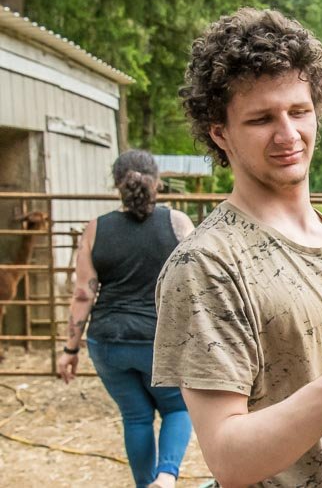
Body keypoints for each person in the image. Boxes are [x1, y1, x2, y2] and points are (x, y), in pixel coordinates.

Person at [151, 8, 322, 487]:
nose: (288, 135)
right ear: (220, 133)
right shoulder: (207, 264)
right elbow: (228, 458)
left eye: (299, 111)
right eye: (261, 119)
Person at [58, 150, 195, 488]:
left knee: (135, 417)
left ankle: (145, 484)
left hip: (107, 342)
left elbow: (83, 294)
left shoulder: (95, 229)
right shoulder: (177, 223)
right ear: (158, 181)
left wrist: (70, 350)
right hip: (158, 340)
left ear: (116, 184)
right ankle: (165, 476)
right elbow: (196, 285)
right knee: (178, 409)